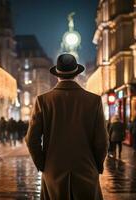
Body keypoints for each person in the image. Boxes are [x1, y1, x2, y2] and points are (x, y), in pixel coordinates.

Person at [25, 54, 107, 200]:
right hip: (86, 169)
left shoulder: (43, 100)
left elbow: (32, 140)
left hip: (53, 170)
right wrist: (97, 165)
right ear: (76, 74)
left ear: (57, 75)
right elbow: (102, 141)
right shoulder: (94, 101)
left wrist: (43, 164)